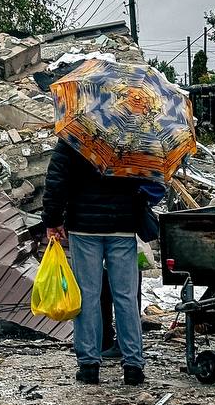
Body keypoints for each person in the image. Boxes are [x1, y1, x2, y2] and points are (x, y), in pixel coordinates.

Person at [42, 137, 149, 386]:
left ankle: (89, 364)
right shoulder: (133, 135)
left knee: (87, 295)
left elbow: (56, 179)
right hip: (123, 225)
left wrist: (52, 219)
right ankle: (133, 365)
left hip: (84, 226)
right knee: (126, 296)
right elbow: (148, 178)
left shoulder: (75, 135)